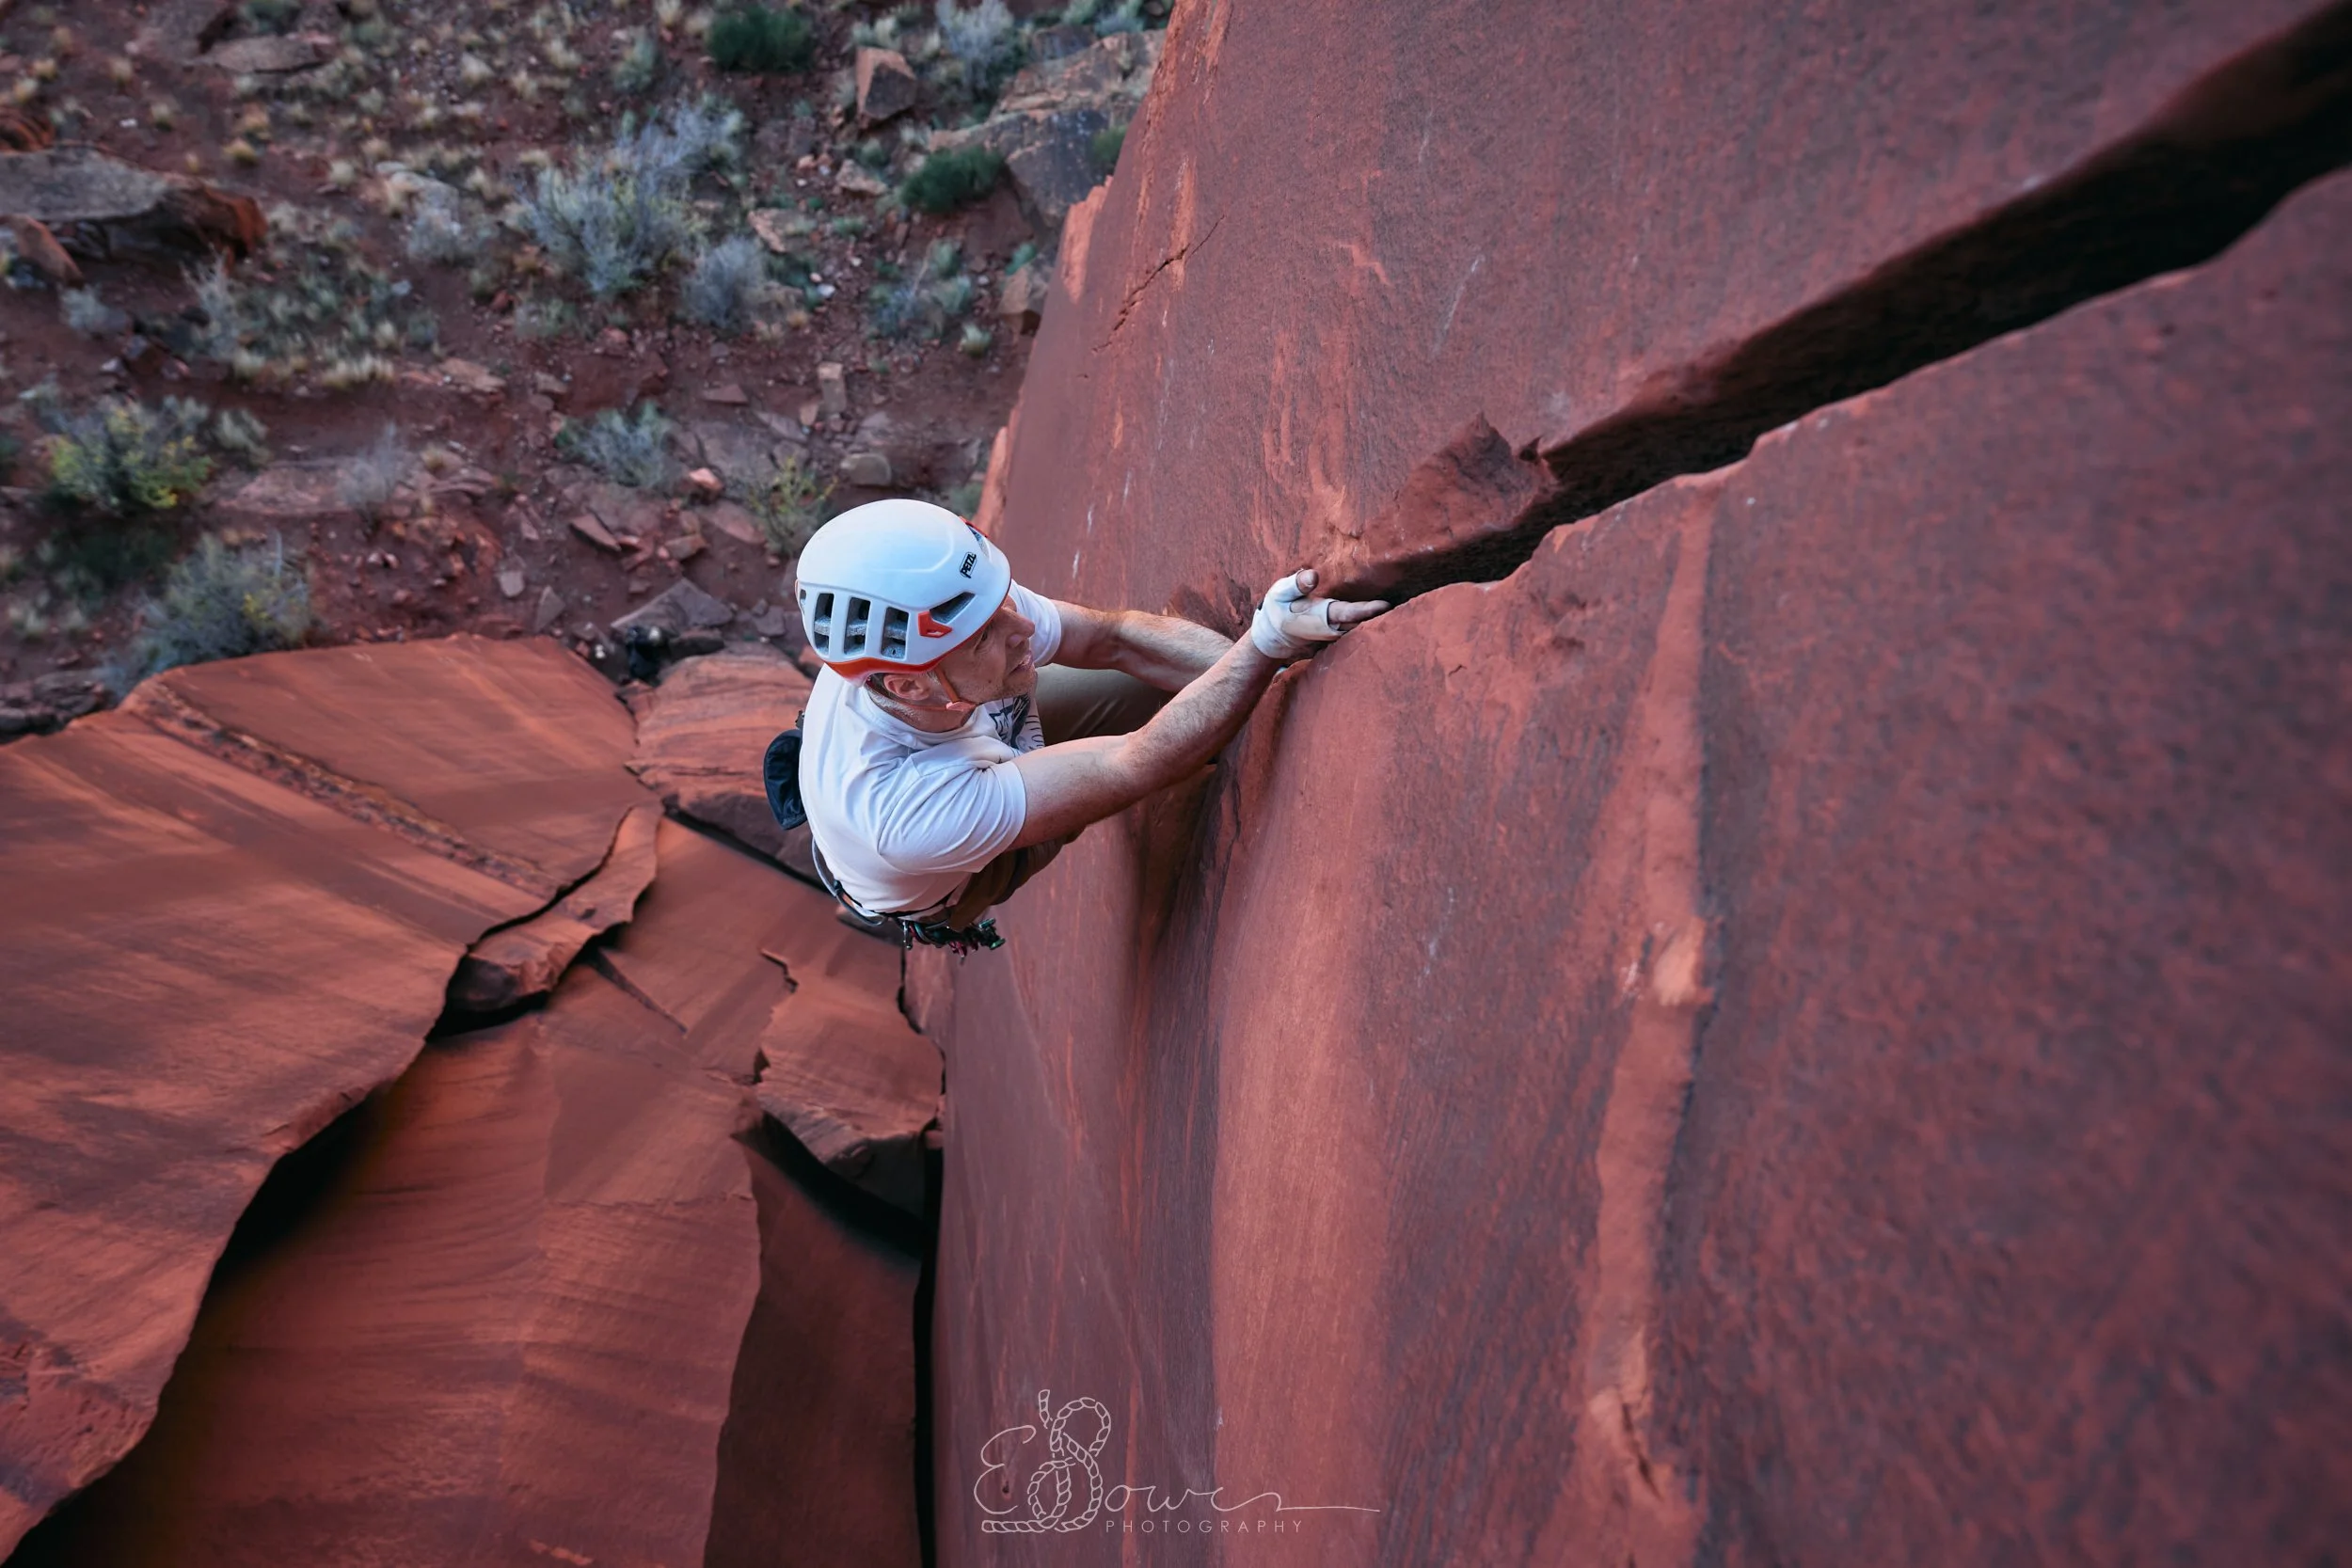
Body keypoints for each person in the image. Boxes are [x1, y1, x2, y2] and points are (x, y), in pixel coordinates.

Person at [778, 498, 1389, 948]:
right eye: (986, 635)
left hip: (953, 732)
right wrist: (1263, 645)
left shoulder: (948, 615)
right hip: (944, 855)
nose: (1021, 628)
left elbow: (1113, 638)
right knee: (1162, 740)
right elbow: (1131, 761)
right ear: (910, 683)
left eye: (1003, 604)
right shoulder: (906, 818)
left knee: (1160, 688)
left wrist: (1290, 684)